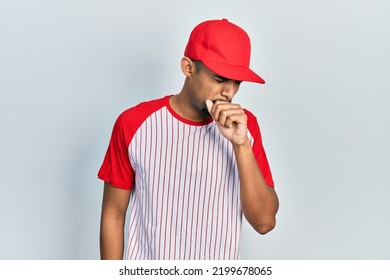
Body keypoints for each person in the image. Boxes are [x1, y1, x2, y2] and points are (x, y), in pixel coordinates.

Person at [98, 18, 279, 260]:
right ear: (188, 68)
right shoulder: (134, 123)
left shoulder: (245, 128)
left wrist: (241, 144)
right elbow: (113, 214)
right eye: (219, 79)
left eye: (237, 82)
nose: (230, 92)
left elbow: (265, 222)